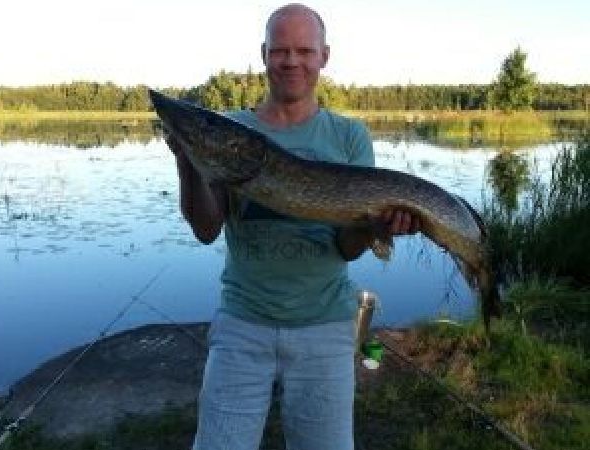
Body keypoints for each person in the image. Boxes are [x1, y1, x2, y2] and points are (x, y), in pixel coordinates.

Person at [167, 4, 418, 449]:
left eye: (304, 50)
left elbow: (345, 247)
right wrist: (188, 160)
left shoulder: (348, 137)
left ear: (324, 56)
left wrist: (375, 227)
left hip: (326, 327)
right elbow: (206, 230)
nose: (291, 61)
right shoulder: (232, 132)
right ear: (263, 54)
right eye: (280, 50)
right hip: (242, 324)